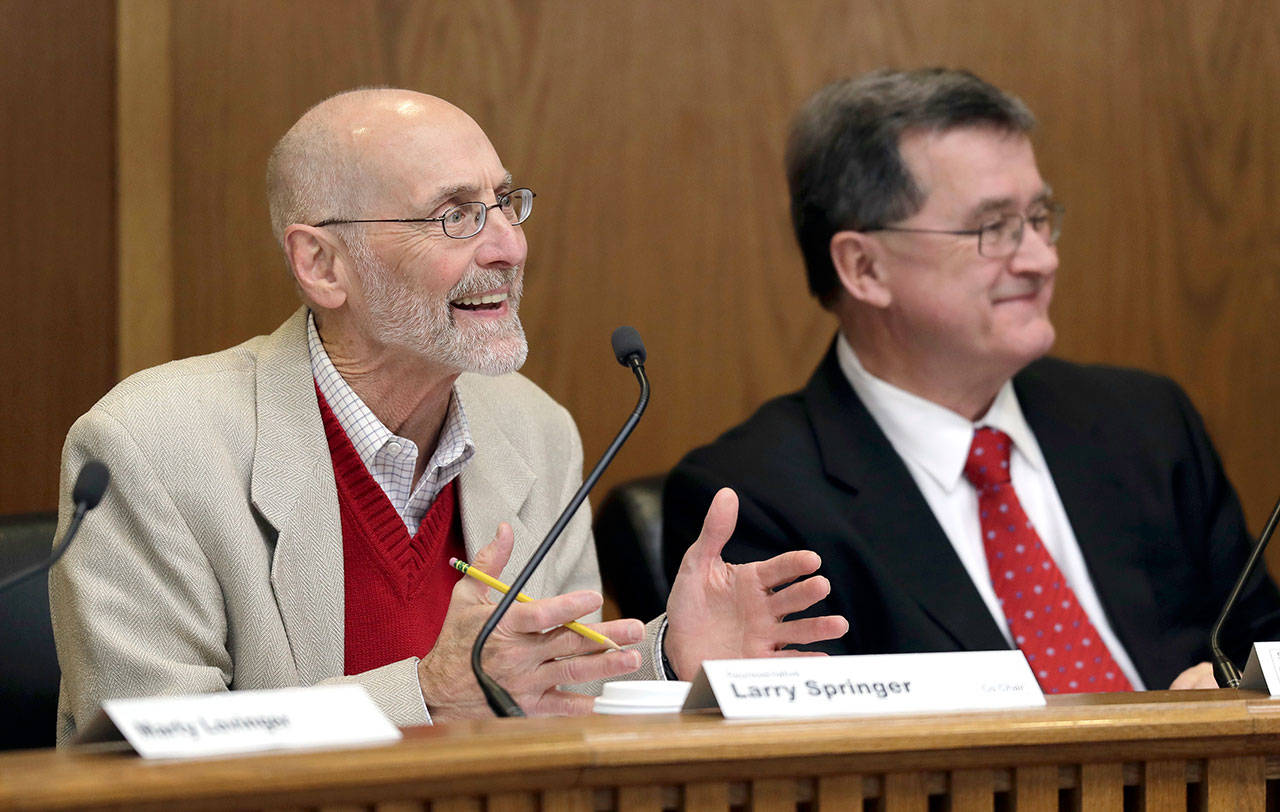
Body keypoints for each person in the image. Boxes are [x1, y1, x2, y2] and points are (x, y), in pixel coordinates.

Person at [49, 89, 848, 744]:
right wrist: (426, 694)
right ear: (322, 264)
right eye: (455, 215)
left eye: (506, 203)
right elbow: (142, 753)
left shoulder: (534, 429)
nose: (508, 247)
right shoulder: (151, 446)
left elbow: (542, 696)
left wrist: (671, 660)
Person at [663, 68, 1280, 694]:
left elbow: (1265, 648)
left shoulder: (1145, 423)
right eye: (994, 229)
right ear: (863, 267)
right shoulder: (755, 500)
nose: (1042, 259)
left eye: (1039, 217)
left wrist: (1233, 700)